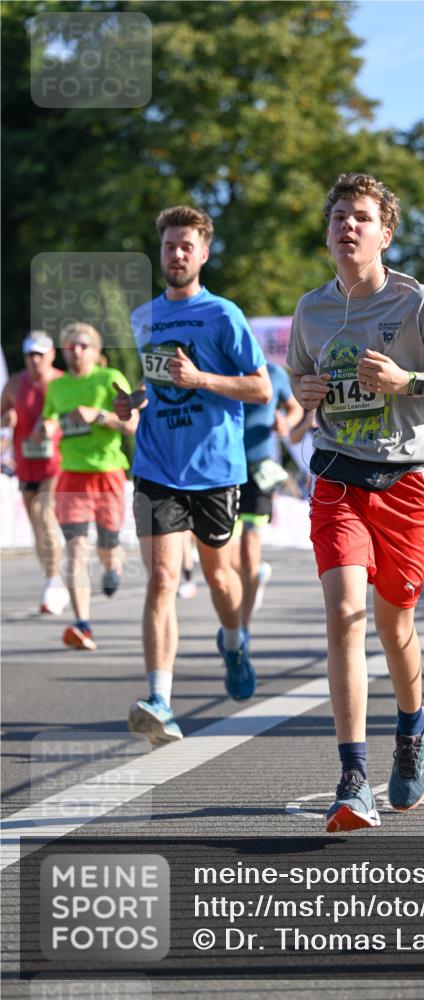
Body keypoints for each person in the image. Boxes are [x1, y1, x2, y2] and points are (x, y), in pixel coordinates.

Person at [287, 172, 424, 832]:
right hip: (338, 475)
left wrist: (408, 381)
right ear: (327, 233)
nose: (348, 226)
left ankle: (411, 725)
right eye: (338, 216)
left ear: (385, 233)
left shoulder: (417, 302)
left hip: (405, 480)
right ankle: (352, 778)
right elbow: (299, 376)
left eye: (361, 217)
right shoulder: (311, 310)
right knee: (344, 613)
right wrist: (306, 393)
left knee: (394, 624)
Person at [113, 204, 271, 746]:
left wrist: (201, 378)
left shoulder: (223, 314)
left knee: (220, 578)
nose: (176, 254)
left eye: (186, 246)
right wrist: (133, 401)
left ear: (203, 253)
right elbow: (156, 384)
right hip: (157, 465)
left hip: (215, 468)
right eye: (168, 246)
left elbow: (260, 388)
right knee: (161, 579)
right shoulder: (144, 317)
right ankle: (159, 700)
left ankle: (234, 641)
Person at [38, 323, 137, 649]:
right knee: (75, 550)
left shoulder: (110, 379)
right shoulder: (57, 386)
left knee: (107, 545)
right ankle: (82, 624)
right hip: (72, 476)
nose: (76, 351)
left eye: (83, 346)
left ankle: (113, 565)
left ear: (96, 352)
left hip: (108, 474)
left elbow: (133, 424)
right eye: (71, 346)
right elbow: (49, 419)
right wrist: (45, 428)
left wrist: (99, 416)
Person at [230, 362, 303, 631]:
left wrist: (286, 422)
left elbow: (294, 408)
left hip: (258, 470)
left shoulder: (273, 373)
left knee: (250, 547)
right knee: (227, 557)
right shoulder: (223, 369)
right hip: (224, 470)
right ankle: (257, 574)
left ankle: (243, 628)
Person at [1, 332, 67, 614]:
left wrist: (55, 425)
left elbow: (78, 418)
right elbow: (1, 416)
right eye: (30, 355)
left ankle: (52, 584)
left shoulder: (63, 382)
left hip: (57, 461)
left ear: (51, 355)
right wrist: (7, 419)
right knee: (37, 525)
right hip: (26, 463)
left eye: (40, 354)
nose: (35, 360)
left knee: (43, 512)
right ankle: (54, 579)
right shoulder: (15, 384)